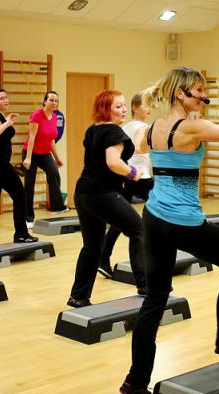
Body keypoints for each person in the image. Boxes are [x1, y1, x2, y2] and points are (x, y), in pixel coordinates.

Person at [120, 67, 219, 394]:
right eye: (199, 90)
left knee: (155, 298)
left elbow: (139, 147)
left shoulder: (153, 128)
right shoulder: (193, 127)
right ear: (180, 93)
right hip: (183, 220)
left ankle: (136, 381)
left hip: (154, 218)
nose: (204, 96)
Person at [67, 89, 147, 308]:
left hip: (83, 194)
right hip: (102, 194)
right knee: (139, 231)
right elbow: (113, 162)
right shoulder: (113, 131)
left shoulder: (93, 129)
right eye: (118, 107)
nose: (123, 110)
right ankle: (146, 286)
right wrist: (133, 172)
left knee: (92, 246)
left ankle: (78, 296)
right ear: (105, 109)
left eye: (124, 105)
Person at [98, 92, 154, 278]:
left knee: (120, 220)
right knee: (162, 211)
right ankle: (153, 258)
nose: (150, 109)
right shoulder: (142, 127)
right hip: (140, 176)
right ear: (135, 108)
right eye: (146, 105)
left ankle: (103, 257)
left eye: (151, 105)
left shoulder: (127, 125)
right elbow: (137, 147)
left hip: (128, 176)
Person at [0, 88, 38, 247]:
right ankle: (21, 234)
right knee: (20, 194)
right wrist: (7, 123)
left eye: (6, 97)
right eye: (1, 98)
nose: (6, 100)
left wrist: (6, 121)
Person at [22, 91, 69, 227]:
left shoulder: (54, 117)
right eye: (51, 100)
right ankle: (28, 218)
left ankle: (57, 206)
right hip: (31, 152)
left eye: (56, 101)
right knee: (29, 185)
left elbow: (51, 139)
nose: (54, 103)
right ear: (45, 101)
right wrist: (28, 158)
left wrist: (57, 158)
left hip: (45, 153)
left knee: (54, 174)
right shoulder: (37, 115)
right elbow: (32, 136)